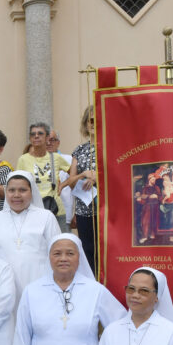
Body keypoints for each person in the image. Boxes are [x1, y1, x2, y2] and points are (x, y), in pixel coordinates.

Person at [0, 171, 61, 302]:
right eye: (11, 190)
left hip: (39, 282)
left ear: (32, 191)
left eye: (23, 190)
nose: (16, 195)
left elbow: (57, 251)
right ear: (6, 192)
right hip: (3, 285)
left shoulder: (46, 217)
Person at [59, 106, 99, 273]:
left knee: (106, 251)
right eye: (90, 120)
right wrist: (84, 173)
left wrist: (99, 177)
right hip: (84, 210)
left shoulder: (113, 146)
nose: (93, 124)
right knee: (88, 252)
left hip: (107, 210)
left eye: (97, 120)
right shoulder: (80, 150)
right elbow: (71, 182)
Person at [16, 123, 70, 221]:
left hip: (55, 209)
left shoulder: (56, 157)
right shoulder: (23, 159)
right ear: (30, 138)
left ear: (47, 137)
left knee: (60, 237)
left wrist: (63, 184)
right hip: (32, 209)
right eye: (33, 134)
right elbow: (17, 183)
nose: (36, 136)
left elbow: (73, 173)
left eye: (40, 133)